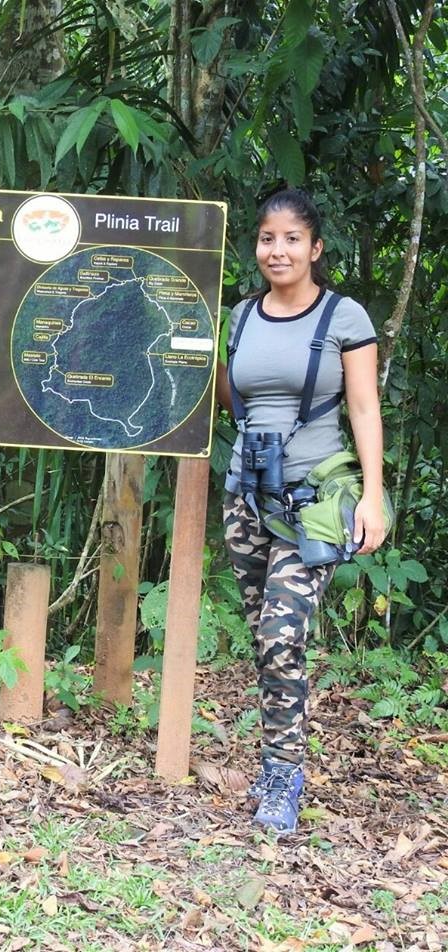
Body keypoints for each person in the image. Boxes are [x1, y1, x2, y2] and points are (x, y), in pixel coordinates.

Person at [215, 188, 386, 834]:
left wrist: (372, 495)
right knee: (266, 641)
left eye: (291, 239)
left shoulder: (344, 318)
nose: (277, 250)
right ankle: (272, 762)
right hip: (248, 497)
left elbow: (365, 409)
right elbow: (232, 399)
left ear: (315, 248)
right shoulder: (241, 317)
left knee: (285, 635)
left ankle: (286, 775)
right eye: (267, 238)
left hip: (317, 501)